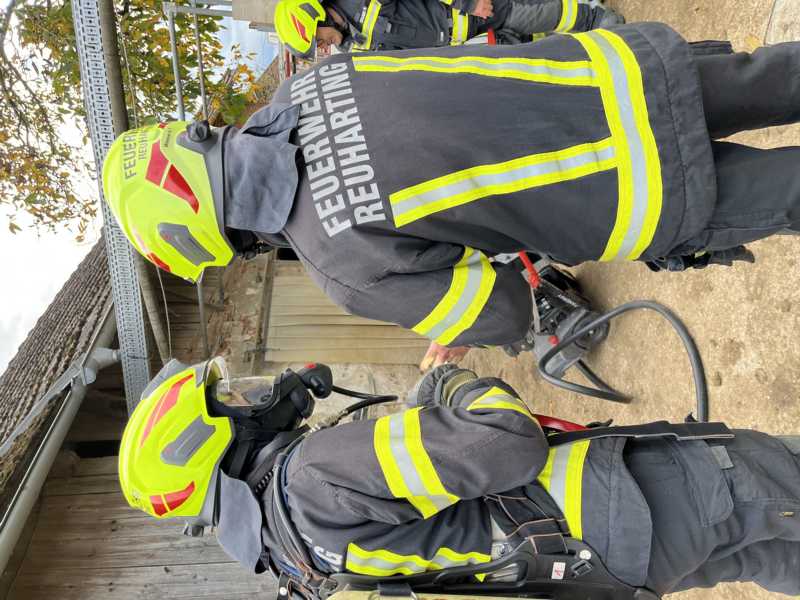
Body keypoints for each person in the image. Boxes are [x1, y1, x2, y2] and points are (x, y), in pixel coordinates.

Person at [102, 23, 800, 357]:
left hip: (637, 191)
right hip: (624, 77)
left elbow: (503, 308)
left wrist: (455, 340)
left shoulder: (342, 265)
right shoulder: (304, 85)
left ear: (223, 233)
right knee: (778, 76)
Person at [119, 357, 800, 597]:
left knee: (771, 555)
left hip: (615, 568)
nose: (251, 395)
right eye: (231, 401)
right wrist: (450, 382)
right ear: (213, 440)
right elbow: (508, 445)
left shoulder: (295, 563)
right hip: (627, 502)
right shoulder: (310, 476)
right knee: (782, 479)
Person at [273, 0, 623, 59]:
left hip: (466, 14)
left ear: (317, 16)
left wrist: (467, 2)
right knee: (524, 44)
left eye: (317, 41)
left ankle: (594, 19)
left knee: (531, 15)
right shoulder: (353, 48)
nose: (322, 47)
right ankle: (584, 40)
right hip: (462, 45)